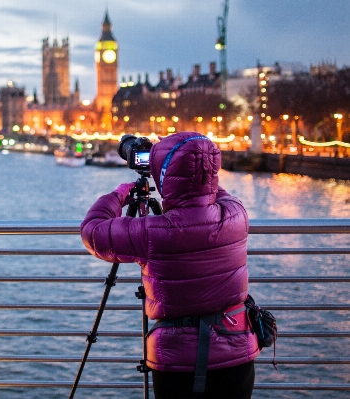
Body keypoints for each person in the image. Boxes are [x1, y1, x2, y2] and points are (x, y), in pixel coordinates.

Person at [81, 132, 259, 399]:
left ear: (165, 175)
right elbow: (208, 189)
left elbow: (92, 231)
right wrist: (189, 162)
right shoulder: (236, 213)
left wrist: (119, 195)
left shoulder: (153, 232)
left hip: (178, 363)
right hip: (237, 356)